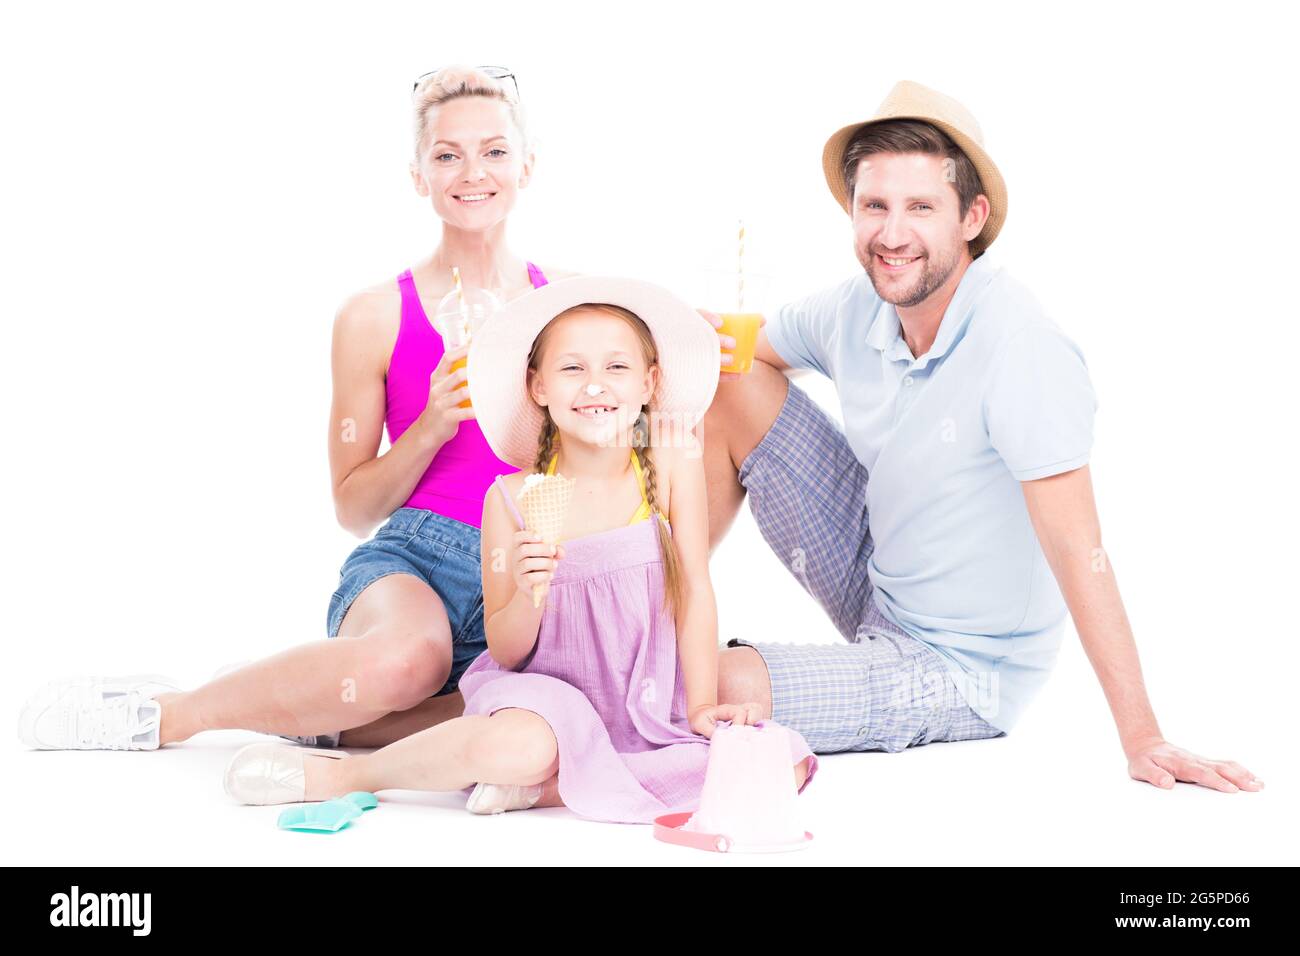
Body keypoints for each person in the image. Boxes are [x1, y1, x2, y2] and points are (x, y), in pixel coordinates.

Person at [702, 80, 1263, 793]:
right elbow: (729, 354)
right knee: (729, 373)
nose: (892, 234)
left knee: (721, 683)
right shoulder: (855, 307)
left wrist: (1142, 734)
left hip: (959, 667)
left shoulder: (1020, 347)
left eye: (920, 208)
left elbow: (1077, 548)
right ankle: (660, 602)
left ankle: (664, 673)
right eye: (874, 206)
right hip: (877, 576)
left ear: (972, 216)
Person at [19, 66, 574, 752]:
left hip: (530, 565)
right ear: (418, 175)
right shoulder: (373, 316)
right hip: (419, 565)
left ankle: (296, 700)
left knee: (547, 711)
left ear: (528, 165)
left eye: (494, 150)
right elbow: (353, 507)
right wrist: (431, 425)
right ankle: (168, 713)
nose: (473, 172)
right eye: (446, 155)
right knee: (408, 662)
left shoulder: (571, 307)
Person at [222, 276, 818, 822]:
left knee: (779, 762)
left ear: (649, 382)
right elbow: (507, 649)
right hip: (546, 699)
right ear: (537, 387)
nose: (594, 385)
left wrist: (699, 709)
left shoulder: (670, 464)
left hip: (646, 694)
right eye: (571, 369)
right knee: (520, 745)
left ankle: (544, 786)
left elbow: (693, 589)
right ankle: (347, 774)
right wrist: (531, 591)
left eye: (616, 366)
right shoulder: (511, 498)